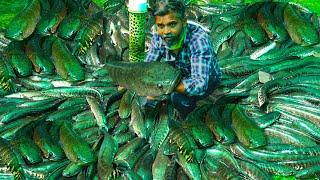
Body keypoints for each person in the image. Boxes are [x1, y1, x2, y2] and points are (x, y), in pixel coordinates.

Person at [144, 0, 221, 119]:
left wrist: (161, 88)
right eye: (161, 26)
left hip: (207, 80)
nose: (166, 32)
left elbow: (199, 83)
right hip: (179, 74)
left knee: (177, 99)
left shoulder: (198, 40)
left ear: (184, 22)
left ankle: (189, 115)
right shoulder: (159, 37)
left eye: (172, 24)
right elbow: (147, 67)